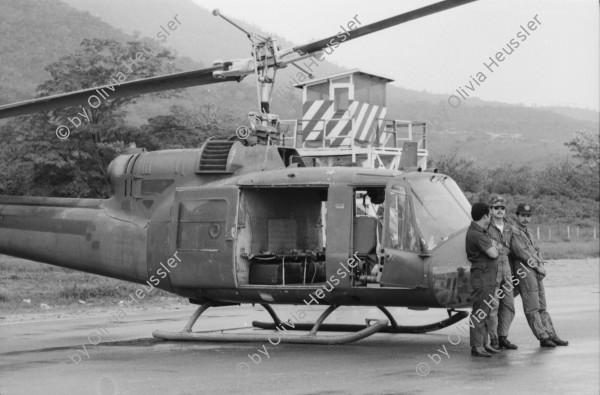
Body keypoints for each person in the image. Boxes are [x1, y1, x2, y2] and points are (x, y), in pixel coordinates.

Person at [510, 203, 569, 348]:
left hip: (535, 271)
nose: (525, 219)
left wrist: (541, 265)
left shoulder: (528, 232)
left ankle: (551, 334)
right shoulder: (514, 231)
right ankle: (542, 337)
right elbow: (521, 253)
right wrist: (538, 267)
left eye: (528, 216)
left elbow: (536, 250)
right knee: (532, 306)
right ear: (517, 215)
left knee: (542, 305)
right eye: (523, 215)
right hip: (524, 271)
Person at [466, 202, 499, 357]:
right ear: (485, 215)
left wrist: (493, 246)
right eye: (489, 214)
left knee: (485, 311)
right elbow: (493, 253)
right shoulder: (477, 234)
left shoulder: (479, 231)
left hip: (487, 277)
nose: (490, 217)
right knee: (480, 311)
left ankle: (483, 343)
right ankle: (477, 346)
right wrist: (494, 246)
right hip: (483, 278)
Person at [486, 196, 518, 350]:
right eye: (496, 207)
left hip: (506, 267)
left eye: (502, 208)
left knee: (509, 304)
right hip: (492, 267)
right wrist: (499, 248)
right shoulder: (485, 227)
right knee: (493, 305)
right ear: (491, 210)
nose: (500, 210)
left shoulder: (509, 227)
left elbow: (509, 248)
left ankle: (503, 336)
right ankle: (493, 339)